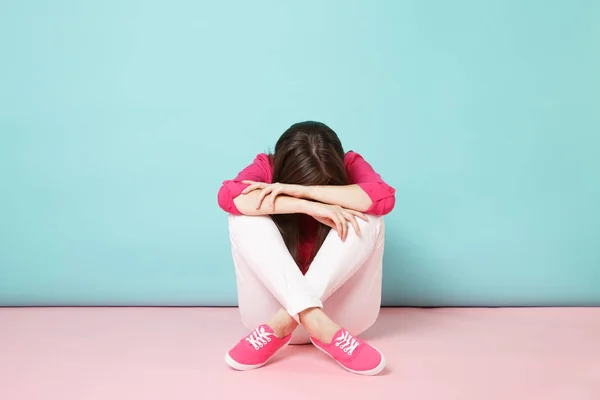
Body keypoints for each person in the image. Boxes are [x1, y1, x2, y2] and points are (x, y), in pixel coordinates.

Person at [217, 121, 395, 376]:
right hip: (268, 320)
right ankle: (310, 318)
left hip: (341, 321)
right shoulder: (267, 166)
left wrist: (302, 191)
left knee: (370, 218)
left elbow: (383, 197)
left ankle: (300, 319)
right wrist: (307, 206)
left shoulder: (351, 164)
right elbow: (228, 196)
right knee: (243, 216)